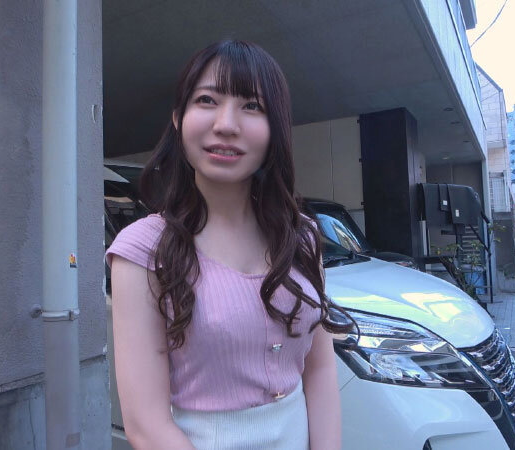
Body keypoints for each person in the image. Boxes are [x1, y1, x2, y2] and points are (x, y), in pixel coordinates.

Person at [105, 40, 357, 450]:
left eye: (252, 106)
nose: (226, 124)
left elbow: (319, 370)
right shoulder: (144, 250)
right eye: (207, 100)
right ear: (178, 118)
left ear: (275, 129)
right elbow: (146, 426)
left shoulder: (302, 237)